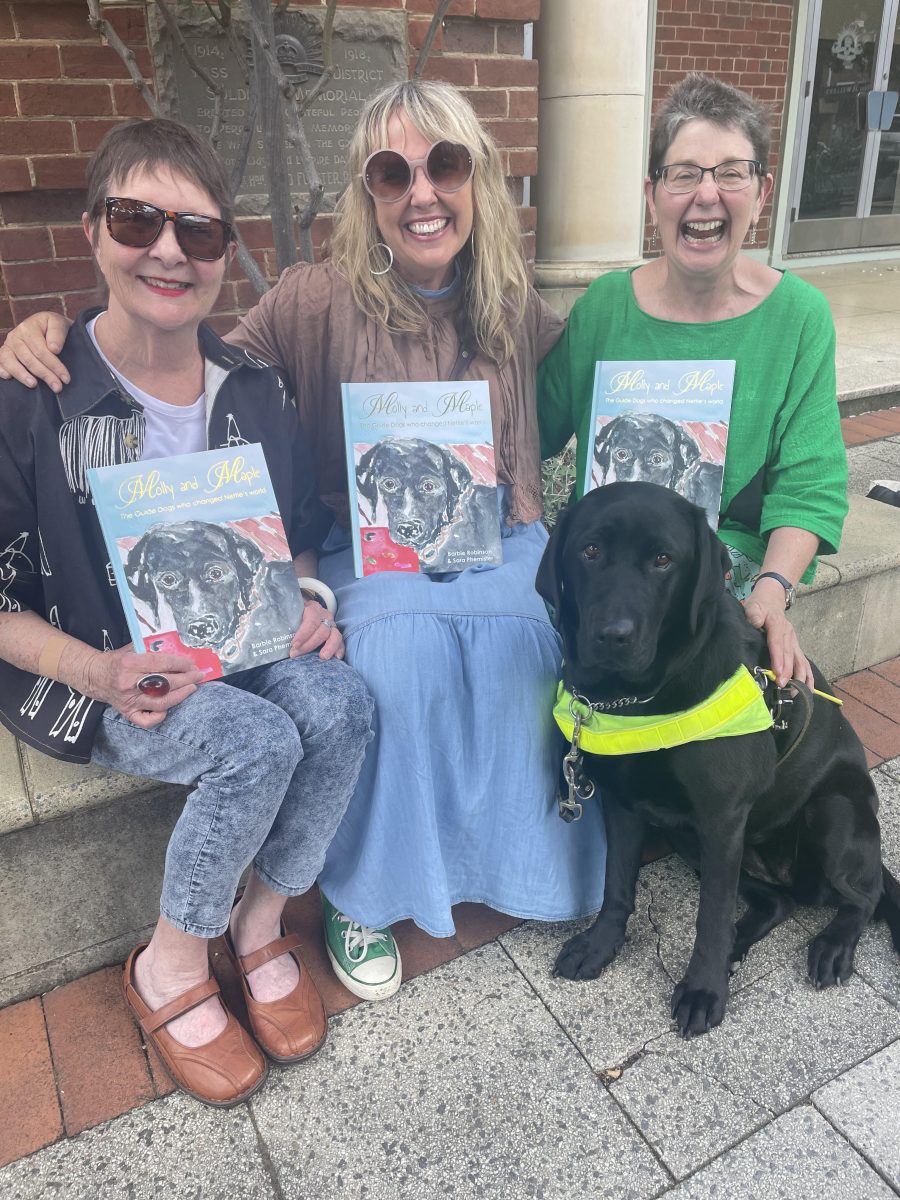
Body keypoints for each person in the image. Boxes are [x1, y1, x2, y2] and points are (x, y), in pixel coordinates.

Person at [0, 82, 607, 1002]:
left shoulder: (515, 308)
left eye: (445, 166)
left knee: (517, 644)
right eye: (391, 172)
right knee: (388, 661)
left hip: (449, 546)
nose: (422, 192)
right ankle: (351, 900)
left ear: (478, 178)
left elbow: (599, 383)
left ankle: (507, 866)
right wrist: (52, 329)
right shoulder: (306, 303)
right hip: (197, 614)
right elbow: (183, 338)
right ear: (367, 194)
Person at [0, 118, 374, 1107]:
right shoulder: (34, 391)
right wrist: (97, 672)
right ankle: (172, 962)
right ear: (93, 232)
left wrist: (306, 597)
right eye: (138, 219)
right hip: (95, 670)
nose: (167, 249)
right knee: (254, 741)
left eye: (199, 233)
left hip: (236, 645)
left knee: (340, 703)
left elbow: (296, 532)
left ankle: (260, 924)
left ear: (221, 257)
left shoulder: (252, 388)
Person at [538, 74, 848, 690]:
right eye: (684, 174)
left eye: (730, 172)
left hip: (713, 582)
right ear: (653, 194)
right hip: (601, 572)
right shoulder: (604, 308)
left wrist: (773, 590)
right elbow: (529, 429)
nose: (706, 194)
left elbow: (809, 486)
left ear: (760, 193)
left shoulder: (798, 318)